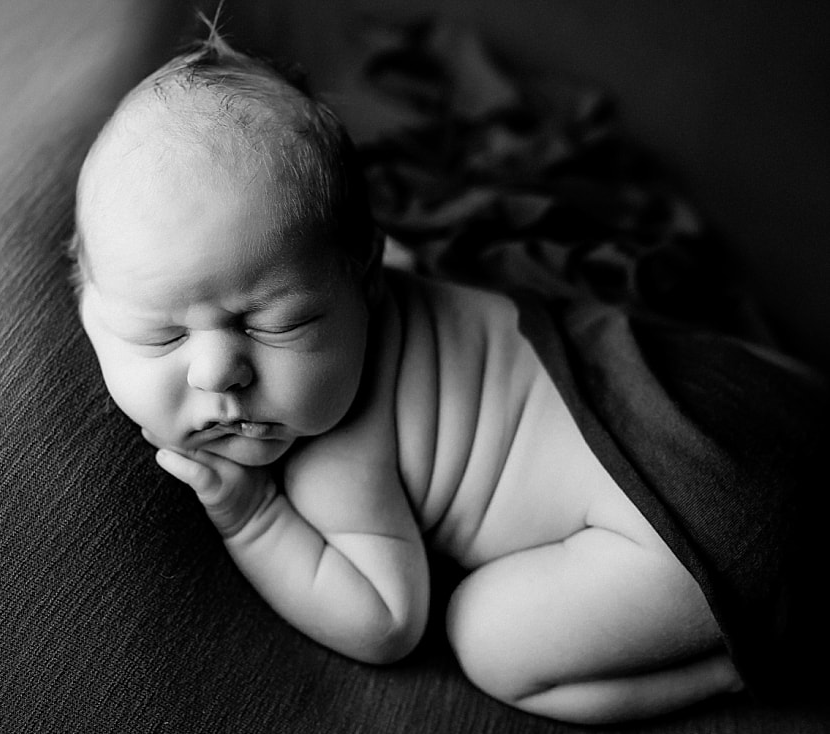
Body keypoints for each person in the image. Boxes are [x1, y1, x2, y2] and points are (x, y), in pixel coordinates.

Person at [69, 28, 826, 724]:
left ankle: (737, 662)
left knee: (489, 640)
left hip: (684, 529)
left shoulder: (334, 454)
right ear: (87, 307)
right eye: (159, 333)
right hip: (735, 405)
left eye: (277, 324)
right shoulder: (367, 274)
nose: (220, 370)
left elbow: (387, 621)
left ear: (364, 282)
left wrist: (254, 519)